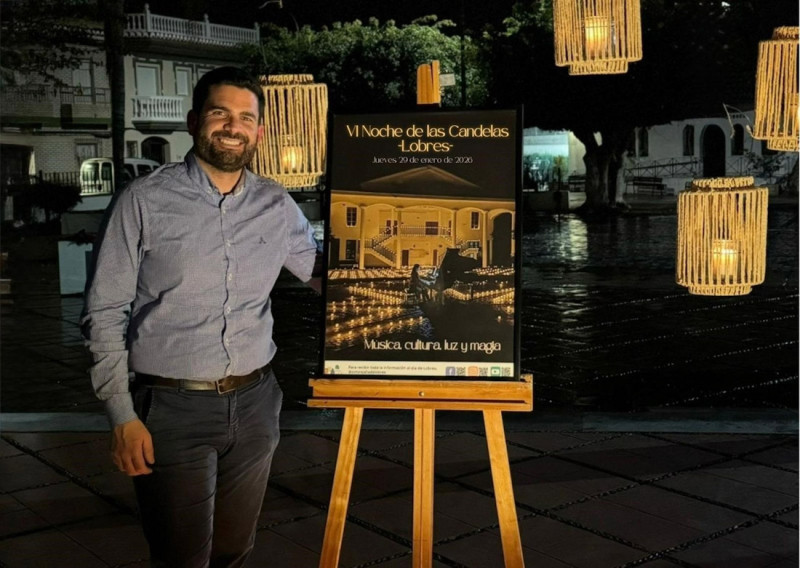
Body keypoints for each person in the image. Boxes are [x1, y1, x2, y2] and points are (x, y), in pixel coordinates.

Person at [81, 66, 321, 567]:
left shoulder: (277, 205)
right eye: (220, 114)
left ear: (259, 132)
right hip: (171, 410)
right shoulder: (143, 202)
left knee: (235, 549)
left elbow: (320, 273)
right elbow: (104, 312)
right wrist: (121, 416)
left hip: (257, 404)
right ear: (195, 122)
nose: (232, 127)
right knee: (181, 555)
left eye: (245, 118)